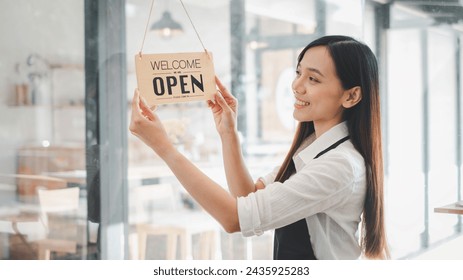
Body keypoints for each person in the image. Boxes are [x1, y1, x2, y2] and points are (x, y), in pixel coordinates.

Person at [129, 35, 389, 260]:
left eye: (313, 79)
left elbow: (235, 218)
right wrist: (228, 132)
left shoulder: (339, 165)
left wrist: (164, 147)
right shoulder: (314, 150)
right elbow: (247, 197)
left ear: (351, 95)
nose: (296, 86)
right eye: (299, 72)